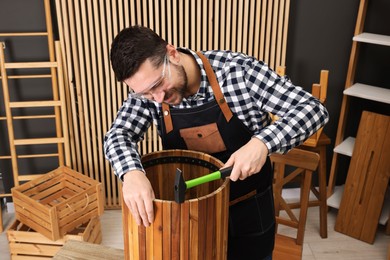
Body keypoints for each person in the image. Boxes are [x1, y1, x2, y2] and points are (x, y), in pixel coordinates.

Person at [104, 25, 329, 259]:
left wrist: (261, 143)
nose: (158, 98)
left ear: (172, 54)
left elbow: (313, 110)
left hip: (249, 211)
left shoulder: (239, 72)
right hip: (193, 218)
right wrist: (131, 173)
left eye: (158, 84)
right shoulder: (148, 93)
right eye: (147, 94)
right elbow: (118, 135)